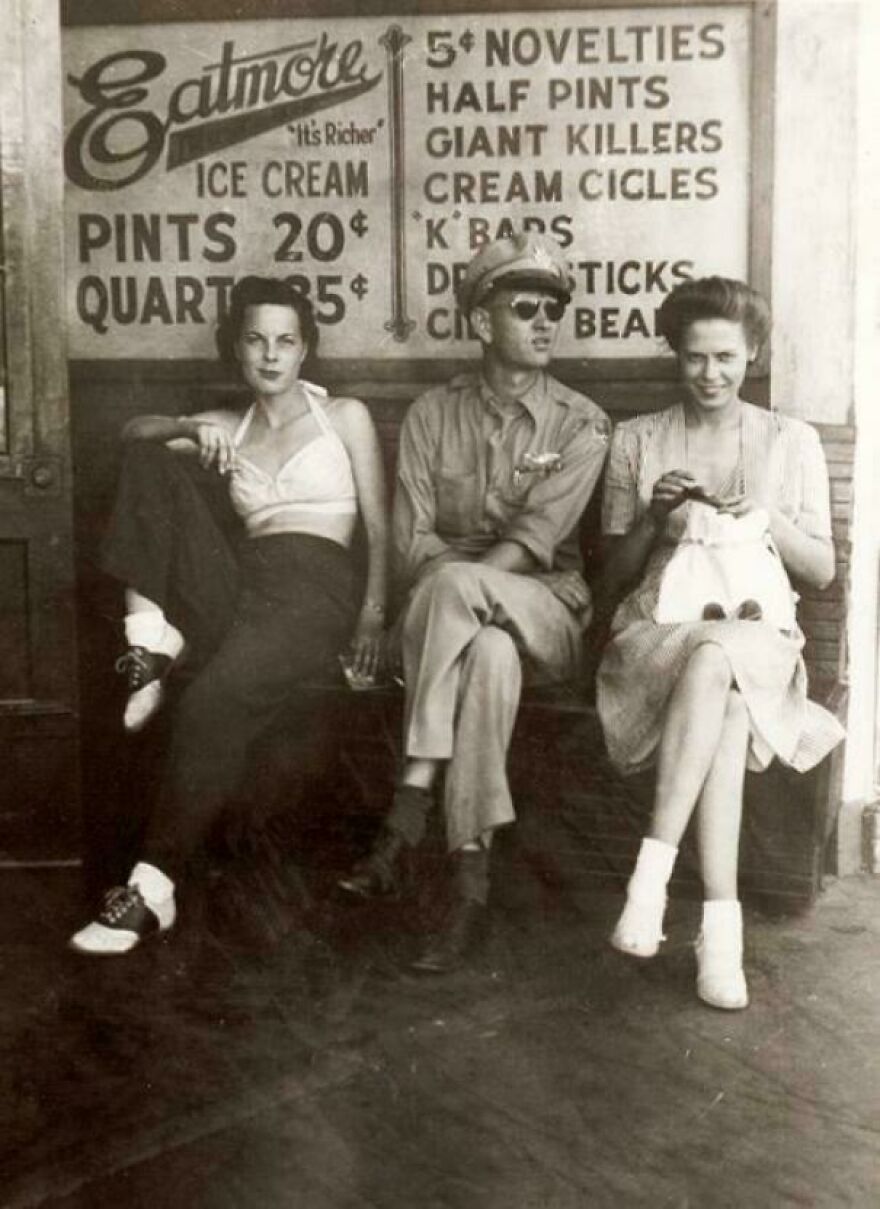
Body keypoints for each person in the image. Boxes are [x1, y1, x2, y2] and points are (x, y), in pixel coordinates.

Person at [70, 276, 388, 955]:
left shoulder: (346, 417)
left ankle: (153, 887)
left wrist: (371, 614)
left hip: (317, 592)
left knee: (211, 701)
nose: (270, 355)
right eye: (255, 340)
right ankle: (149, 639)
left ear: (305, 351)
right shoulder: (226, 425)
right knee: (151, 457)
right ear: (235, 349)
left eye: (285, 341)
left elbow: (382, 531)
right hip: (245, 584)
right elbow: (132, 435)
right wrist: (188, 428)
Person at [338, 232, 610, 973]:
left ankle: (407, 807)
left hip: (547, 614)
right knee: (483, 651)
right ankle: (468, 881)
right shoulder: (431, 414)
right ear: (481, 320)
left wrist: (459, 589)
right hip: (460, 631)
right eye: (525, 307)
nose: (545, 321)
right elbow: (409, 542)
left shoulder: (582, 423)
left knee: (463, 592)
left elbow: (531, 542)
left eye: (553, 307)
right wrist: (455, 600)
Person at [596, 276, 845, 1010]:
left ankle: (650, 881)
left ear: (754, 354)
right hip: (658, 634)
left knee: (723, 656)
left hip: (761, 632)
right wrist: (652, 516)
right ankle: (720, 931)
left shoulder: (789, 441)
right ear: (675, 353)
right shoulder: (637, 440)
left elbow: (822, 571)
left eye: (728, 358)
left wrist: (767, 513)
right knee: (722, 692)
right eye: (696, 357)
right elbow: (609, 578)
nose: (711, 374)